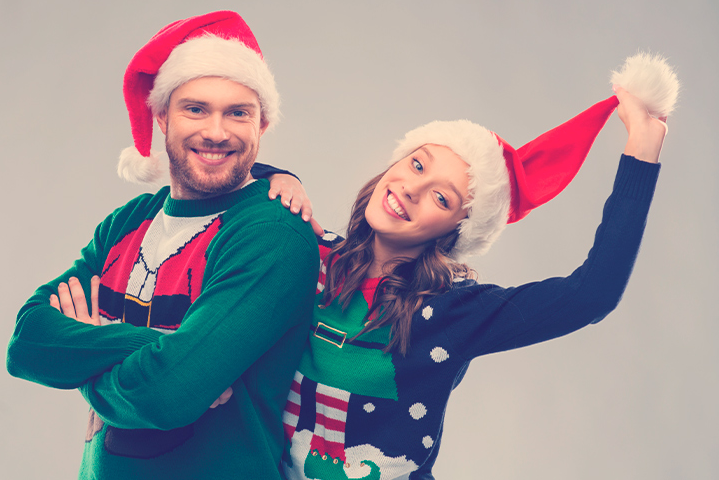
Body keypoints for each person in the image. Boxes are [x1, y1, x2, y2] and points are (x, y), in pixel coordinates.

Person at [279, 54, 678, 479]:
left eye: (442, 198)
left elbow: (591, 295)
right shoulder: (307, 254)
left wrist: (642, 148)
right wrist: (279, 176)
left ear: (455, 231)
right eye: (417, 164)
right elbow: (217, 196)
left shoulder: (454, 311)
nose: (412, 188)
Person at [6, 11, 320, 479]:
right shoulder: (129, 222)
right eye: (196, 109)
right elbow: (28, 344)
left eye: (239, 113)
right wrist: (162, 347)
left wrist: (84, 363)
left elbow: (169, 393)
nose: (217, 132)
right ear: (161, 117)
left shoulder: (272, 233)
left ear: (263, 125)